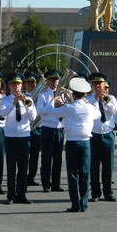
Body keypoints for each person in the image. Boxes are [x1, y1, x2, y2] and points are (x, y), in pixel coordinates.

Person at [43, 77, 98, 212]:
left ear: (73, 94)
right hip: (86, 143)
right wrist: (85, 101)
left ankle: (75, 204)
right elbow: (98, 114)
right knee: (85, 174)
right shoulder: (90, 108)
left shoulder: (68, 107)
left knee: (72, 175)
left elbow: (48, 112)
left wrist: (54, 100)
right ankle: (84, 204)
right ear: (84, 94)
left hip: (72, 142)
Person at [0, 73, 37, 204]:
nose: (16, 87)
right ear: (9, 86)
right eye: (14, 84)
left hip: (24, 136)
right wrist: (13, 103)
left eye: (19, 84)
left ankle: (22, 194)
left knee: (23, 167)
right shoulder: (5, 100)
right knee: (11, 168)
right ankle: (11, 195)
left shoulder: (28, 99)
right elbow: (2, 115)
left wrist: (26, 104)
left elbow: (33, 117)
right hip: (10, 137)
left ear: (22, 85)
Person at [85, 73, 117, 202]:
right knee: (93, 166)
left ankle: (108, 192)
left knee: (108, 166)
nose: (98, 87)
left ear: (104, 85)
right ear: (92, 86)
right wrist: (96, 100)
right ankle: (95, 193)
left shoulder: (111, 98)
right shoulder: (88, 99)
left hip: (107, 135)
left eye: (100, 84)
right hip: (93, 136)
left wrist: (105, 102)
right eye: (95, 84)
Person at [36, 69, 65, 192]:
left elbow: (68, 110)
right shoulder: (43, 95)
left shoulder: (63, 94)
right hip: (48, 128)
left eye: (56, 79)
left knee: (58, 158)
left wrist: (62, 105)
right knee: (47, 157)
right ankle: (46, 184)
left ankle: (56, 184)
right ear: (47, 81)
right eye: (52, 79)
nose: (55, 82)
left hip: (59, 128)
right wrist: (53, 103)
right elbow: (40, 112)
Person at [23, 72, 42, 186]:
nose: (30, 85)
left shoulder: (41, 95)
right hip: (25, 128)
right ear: (25, 84)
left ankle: (31, 177)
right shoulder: (23, 96)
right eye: (28, 83)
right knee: (24, 155)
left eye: (33, 83)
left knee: (34, 155)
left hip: (37, 128)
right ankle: (22, 176)